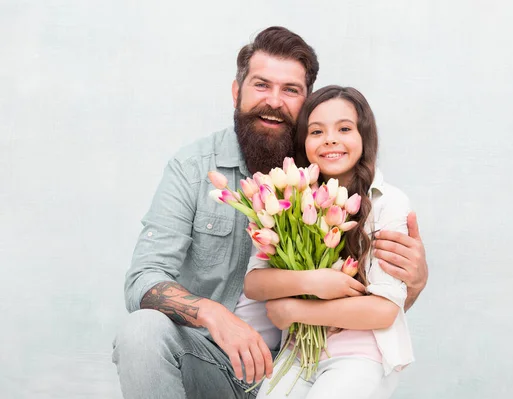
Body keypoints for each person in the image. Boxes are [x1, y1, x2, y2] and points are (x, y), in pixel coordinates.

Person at [112, 27, 428, 399]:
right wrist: (213, 314)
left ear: (307, 101)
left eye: (290, 90)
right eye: (262, 85)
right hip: (213, 360)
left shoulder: (327, 174)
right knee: (141, 331)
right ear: (236, 92)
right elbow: (144, 278)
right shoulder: (194, 167)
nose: (274, 101)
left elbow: (375, 298)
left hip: (304, 362)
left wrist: (415, 284)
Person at [245, 85, 414, 399]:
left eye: (345, 129)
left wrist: (294, 309)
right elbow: (254, 284)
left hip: (360, 356)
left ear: (365, 137)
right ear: (303, 142)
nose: (330, 139)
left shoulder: (388, 202)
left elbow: (383, 311)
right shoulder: (288, 201)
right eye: (317, 131)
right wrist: (315, 281)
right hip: (297, 354)